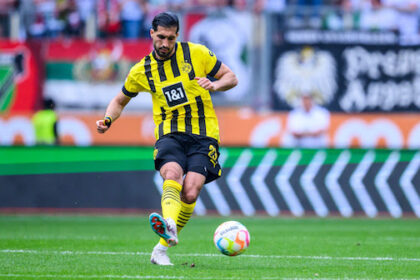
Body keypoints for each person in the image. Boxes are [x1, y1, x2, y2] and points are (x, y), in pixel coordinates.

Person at [96, 12, 238, 266]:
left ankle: (160, 250)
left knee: (191, 191)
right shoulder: (142, 70)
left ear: (177, 36)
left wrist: (215, 85)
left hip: (204, 135)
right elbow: (119, 100)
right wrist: (108, 120)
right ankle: (169, 221)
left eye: (170, 39)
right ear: (151, 33)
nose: (165, 43)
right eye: (161, 37)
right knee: (171, 172)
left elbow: (231, 77)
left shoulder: (197, 53)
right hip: (170, 133)